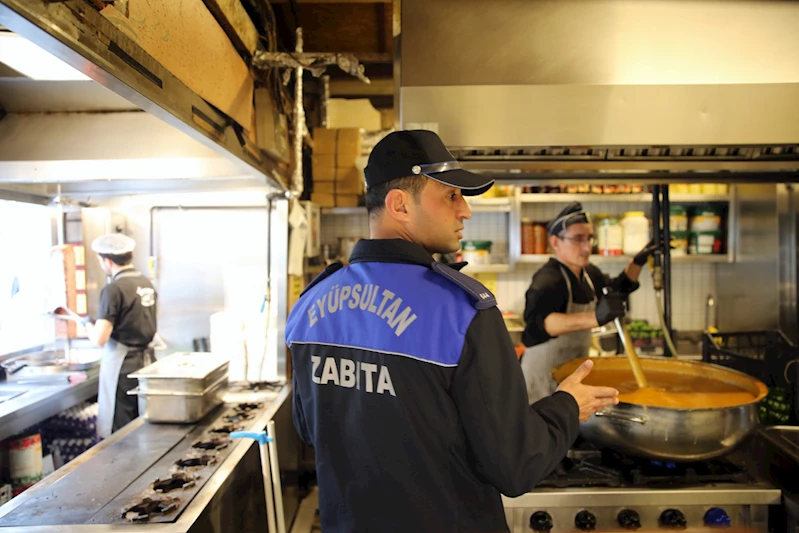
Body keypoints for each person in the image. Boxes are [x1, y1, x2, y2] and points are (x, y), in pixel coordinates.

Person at [286, 130, 619, 533]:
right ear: (399, 205)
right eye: (450, 196)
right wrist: (568, 406)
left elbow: (309, 429)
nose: (466, 211)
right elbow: (516, 467)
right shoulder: (462, 311)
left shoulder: (310, 305)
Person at [519, 202, 658, 404]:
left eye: (589, 238)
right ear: (556, 242)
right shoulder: (547, 279)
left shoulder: (589, 274)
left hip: (572, 374)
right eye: (578, 239)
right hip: (541, 381)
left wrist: (637, 262)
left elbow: (617, 290)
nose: (587, 247)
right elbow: (538, 326)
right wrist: (595, 317)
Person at [83, 234, 157, 438]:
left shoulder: (113, 289)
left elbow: (100, 338)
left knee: (121, 431)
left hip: (122, 366)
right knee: (142, 423)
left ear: (107, 261)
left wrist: (86, 324)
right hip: (147, 363)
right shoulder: (145, 283)